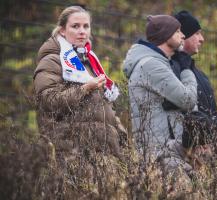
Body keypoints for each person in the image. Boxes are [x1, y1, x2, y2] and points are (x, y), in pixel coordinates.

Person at [33, 5, 126, 197]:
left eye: (86, 26)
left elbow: (101, 105)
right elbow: (48, 100)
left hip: (100, 147)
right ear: (62, 30)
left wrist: (119, 130)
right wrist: (85, 88)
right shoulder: (52, 60)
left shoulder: (87, 60)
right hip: (71, 149)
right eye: (75, 26)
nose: (82, 31)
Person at [123, 15, 197, 161]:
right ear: (166, 35)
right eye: (177, 31)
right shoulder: (152, 65)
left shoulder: (160, 62)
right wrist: (186, 70)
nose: (183, 35)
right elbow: (188, 100)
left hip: (165, 148)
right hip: (160, 150)